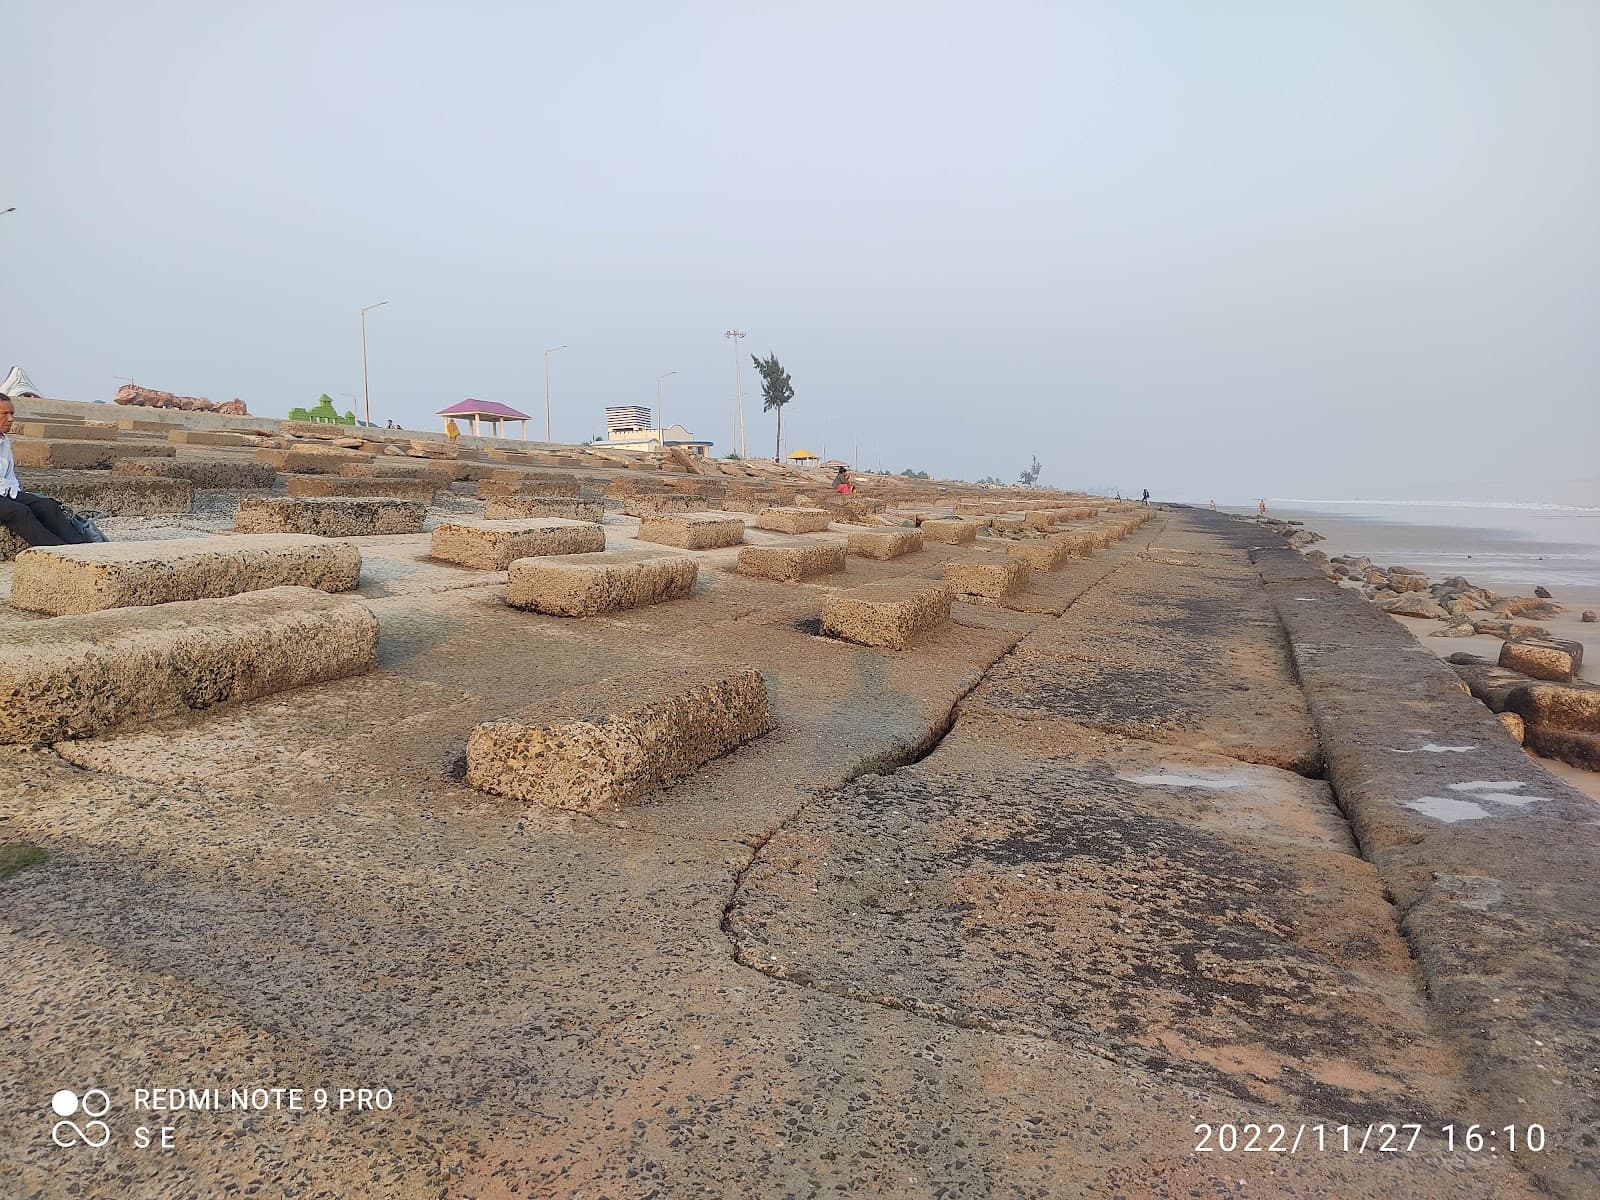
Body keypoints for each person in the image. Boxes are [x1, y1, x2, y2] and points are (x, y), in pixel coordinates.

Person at [0, 393, 93, 547]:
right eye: (4, 414)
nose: (10, 419)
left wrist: (14, 493)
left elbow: (9, 475)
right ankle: (57, 551)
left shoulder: (4, 440)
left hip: (5, 491)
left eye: (12, 413)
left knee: (47, 506)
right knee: (19, 512)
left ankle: (81, 548)